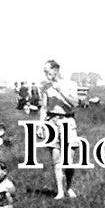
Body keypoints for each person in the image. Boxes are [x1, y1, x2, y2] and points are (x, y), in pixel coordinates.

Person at [39, 59, 79, 199]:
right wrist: (40, 124)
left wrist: (59, 90)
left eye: (47, 70)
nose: (45, 74)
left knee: (69, 159)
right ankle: (60, 191)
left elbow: (75, 103)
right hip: (52, 122)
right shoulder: (45, 88)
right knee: (56, 158)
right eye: (44, 71)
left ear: (55, 70)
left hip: (67, 121)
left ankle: (69, 187)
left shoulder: (70, 84)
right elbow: (44, 107)